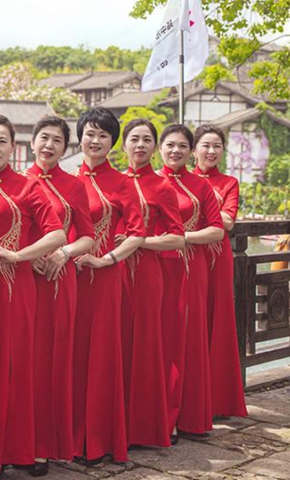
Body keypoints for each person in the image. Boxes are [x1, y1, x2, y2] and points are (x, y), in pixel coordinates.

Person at [0, 114, 65, 479]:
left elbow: (57, 234)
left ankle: (19, 449)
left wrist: (19, 255)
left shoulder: (28, 187)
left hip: (16, 288)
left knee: (18, 366)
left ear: (13, 147)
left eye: (1, 142)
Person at [73, 106, 145, 464]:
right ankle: (65, 436)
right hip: (66, 279)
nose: (95, 140)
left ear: (112, 143)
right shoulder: (68, 180)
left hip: (102, 279)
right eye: (90, 132)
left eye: (103, 135)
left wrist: (106, 260)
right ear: (80, 137)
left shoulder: (122, 183)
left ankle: (97, 439)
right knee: (68, 354)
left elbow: (137, 234)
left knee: (100, 356)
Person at [24, 115, 94, 475]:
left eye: (57, 140)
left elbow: (88, 236)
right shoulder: (17, 182)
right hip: (22, 279)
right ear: (32, 141)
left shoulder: (74, 185)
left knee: (53, 361)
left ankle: (44, 447)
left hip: (59, 278)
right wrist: (28, 256)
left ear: (65, 148)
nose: (49, 145)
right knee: (22, 362)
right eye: (43, 138)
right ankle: (16, 442)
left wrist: (64, 253)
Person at [118, 119, 184, 448]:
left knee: (145, 347)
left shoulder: (161, 187)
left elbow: (176, 238)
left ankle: (145, 426)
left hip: (145, 274)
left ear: (155, 147)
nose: (140, 145)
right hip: (109, 273)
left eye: (147, 140)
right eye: (134, 139)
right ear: (123, 144)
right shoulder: (112, 182)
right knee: (116, 346)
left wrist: (139, 241)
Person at [157, 124, 224, 439]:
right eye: (170, 145)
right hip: (153, 267)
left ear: (190, 150)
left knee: (187, 339)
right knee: (157, 340)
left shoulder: (200, 186)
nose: (176, 151)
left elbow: (217, 230)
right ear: (160, 148)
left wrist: (179, 237)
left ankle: (185, 416)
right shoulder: (146, 182)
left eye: (183, 146)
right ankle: (155, 415)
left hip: (190, 267)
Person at [192, 124, 248, 419]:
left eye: (217, 146)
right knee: (190, 321)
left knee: (217, 320)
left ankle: (217, 400)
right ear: (193, 150)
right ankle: (191, 397)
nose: (211, 151)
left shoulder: (228, 182)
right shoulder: (180, 180)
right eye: (205, 145)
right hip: (186, 255)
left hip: (216, 256)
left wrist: (195, 198)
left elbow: (226, 222)